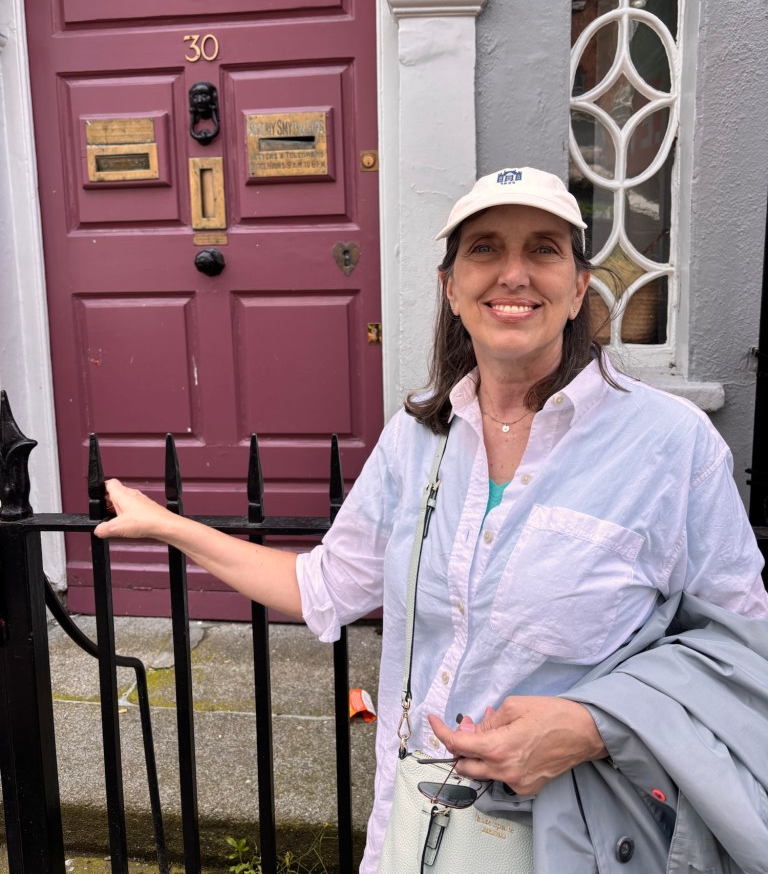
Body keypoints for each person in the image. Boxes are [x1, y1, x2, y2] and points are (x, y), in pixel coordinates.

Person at [96, 167, 768, 873]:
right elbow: (322, 587)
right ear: (451, 287)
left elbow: (743, 650)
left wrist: (591, 724)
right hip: (417, 827)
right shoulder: (419, 438)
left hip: (584, 838)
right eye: (485, 249)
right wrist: (168, 525)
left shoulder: (671, 445)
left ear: (578, 289)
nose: (513, 274)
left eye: (543, 249)